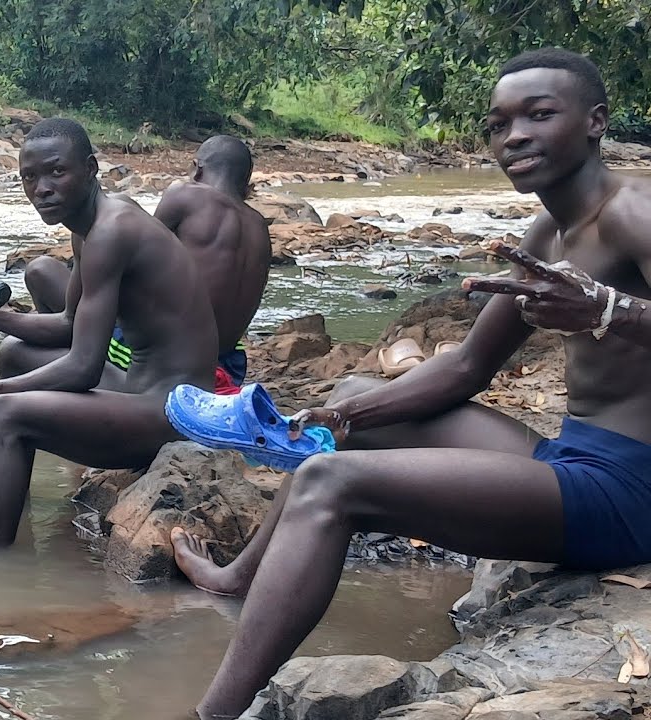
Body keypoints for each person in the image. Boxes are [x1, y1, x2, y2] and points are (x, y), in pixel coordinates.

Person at [171, 47, 651, 719]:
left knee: (328, 483)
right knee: (345, 406)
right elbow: (463, 368)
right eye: (498, 123)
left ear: (596, 121)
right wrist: (342, 416)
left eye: (539, 115)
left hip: (630, 495)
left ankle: (213, 715)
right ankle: (235, 580)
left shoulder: (634, 211)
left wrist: (606, 311)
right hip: (574, 456)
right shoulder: (550, 231)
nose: (513, 136)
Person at [0, 118, 219, 546]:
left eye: (56, 172)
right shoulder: (93, 225)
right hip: (140, 387)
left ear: (91, 168)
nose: (41, 188)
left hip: (174, 411)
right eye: (29, 177)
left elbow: (82, 367)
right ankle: (7, 510)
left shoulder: (111, 231)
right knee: (14, 353)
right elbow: (66, 324)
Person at [19, 136, 270, 394]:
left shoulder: (184, 195)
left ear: (197, 169)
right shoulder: (260, 227)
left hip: (162, 357)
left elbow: (143, 255)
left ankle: (72, 358)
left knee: (41, 272)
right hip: (228, 364)